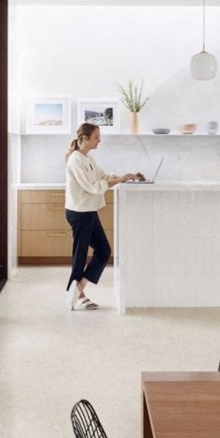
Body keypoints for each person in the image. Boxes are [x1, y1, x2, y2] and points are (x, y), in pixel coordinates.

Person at [64, 122, 143, 310]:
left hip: (89, 211)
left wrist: (126, 176)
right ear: (85, 138)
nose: (99, 140)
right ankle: (75, 295)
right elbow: (93, 187)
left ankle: (78, 289)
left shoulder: (87, 158)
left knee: (103, 251)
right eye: (96, 137)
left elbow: (103, 176)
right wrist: (119, 180)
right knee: (80, 256)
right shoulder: (75, 160)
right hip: (79, 212)